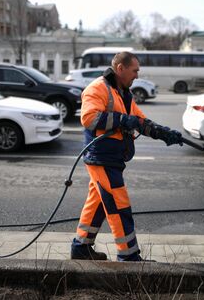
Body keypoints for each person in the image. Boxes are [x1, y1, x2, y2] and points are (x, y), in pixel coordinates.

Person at [70, 51, 183, 262]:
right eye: (135, 70)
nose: (137, 76)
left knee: (98, 204)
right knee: (119, 206)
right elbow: (89, 118)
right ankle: (129, 256)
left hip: (111, 158)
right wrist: (123, 120)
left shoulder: (122, 92)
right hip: (101, 158)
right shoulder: (97, 88)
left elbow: (139, 121)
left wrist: (163, 132)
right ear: (120, 68)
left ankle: (81, 248)